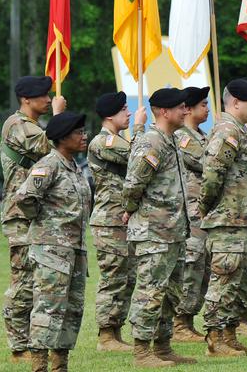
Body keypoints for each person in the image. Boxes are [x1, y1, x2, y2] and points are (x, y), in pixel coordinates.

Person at [13, 111, 91, 372]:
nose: (84, 136)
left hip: (75, 249)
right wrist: (45, 222)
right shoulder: (49, 164)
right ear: (62, 137)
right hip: (52, 250)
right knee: (48, 309)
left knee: (72, 309)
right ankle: (39, 366)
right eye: (79, 132)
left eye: (84, 131)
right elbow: (25, 197)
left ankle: (60, 366)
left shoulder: (73, 166)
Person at [123, 88, 195, 367]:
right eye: (181, 107)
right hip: (154, 232)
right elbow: (133, 185)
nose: (185, 111)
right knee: (150, 292)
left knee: (170, 293)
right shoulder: (151, 142)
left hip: (173, 230)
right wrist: (129, 211)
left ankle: (163, 347)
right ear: (164, 111)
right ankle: (142, 351)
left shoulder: (171, 140)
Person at [0, 75, 65, 363]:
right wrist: (61, 117)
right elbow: (46, 145)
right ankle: (18, 345)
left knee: (40, 280)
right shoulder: (17, 125)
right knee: (23, 280)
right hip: (19, 215)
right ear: (26, 99)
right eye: (44, 96)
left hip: (36, 214)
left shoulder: (32, 125)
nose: (49, 100)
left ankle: (34, 341)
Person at [200, 79, 247, 357]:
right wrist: (208, 205)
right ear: (235, 102)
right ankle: (215, 338)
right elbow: (213, 173)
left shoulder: (240, 129)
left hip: (244, 219)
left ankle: (228, 333)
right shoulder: (227, 130)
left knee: (238, 282)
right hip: (229, 221)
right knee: (224, 280)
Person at [88, 91, 146, 352]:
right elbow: (140, 156)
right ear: (110, 115)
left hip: (121, 219)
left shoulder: (116, 140)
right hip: (109, 220)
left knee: (126, 277)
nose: (130, 113)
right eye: (124, 109)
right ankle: (106, 335)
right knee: (114, 277)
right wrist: (141, 128)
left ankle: (115, 330)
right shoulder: (104, 142)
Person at [173, 86, 212, 342]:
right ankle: (180, 322)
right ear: (188, 109)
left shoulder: (201, 135)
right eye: (203, 105)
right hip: (191, 211)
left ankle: (188, 319)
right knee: (191, 264)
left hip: (205, 212)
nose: (207, 109)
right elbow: (206, 163)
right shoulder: (182, 137)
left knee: (203, 267)